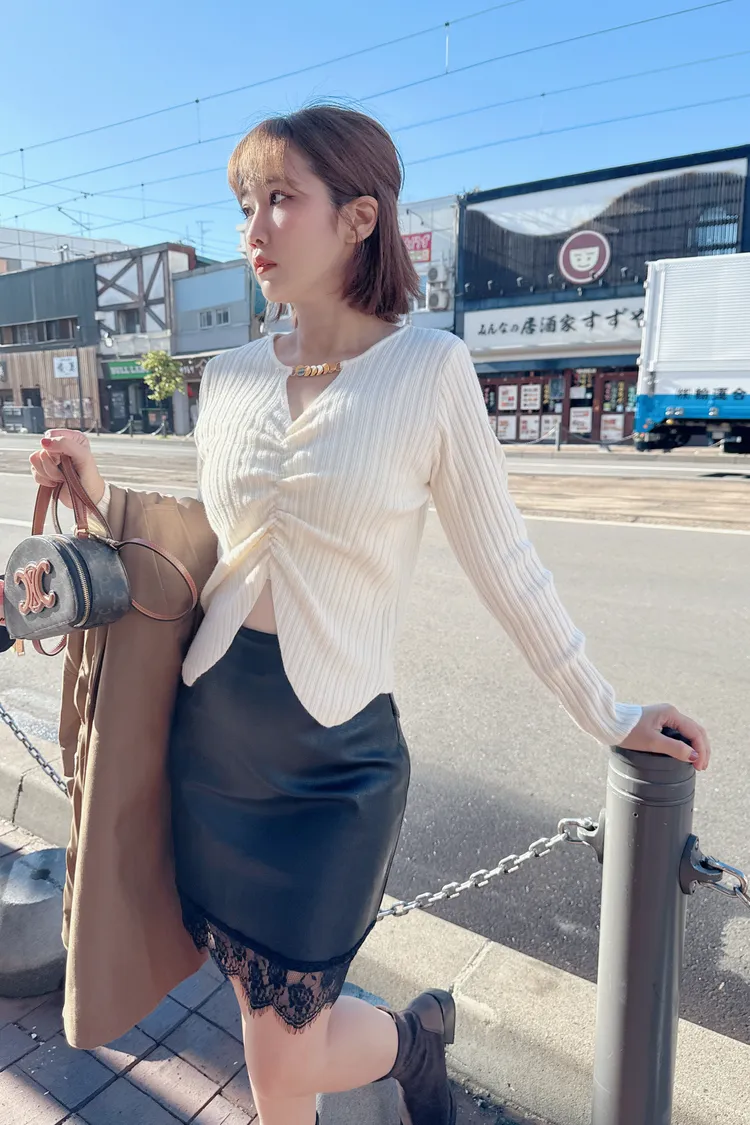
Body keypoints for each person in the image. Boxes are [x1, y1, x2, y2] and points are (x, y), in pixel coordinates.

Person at [23, 105, 711, 1125]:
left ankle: (410, 1041)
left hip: (334, 768)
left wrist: (609, 712)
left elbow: (508, 567)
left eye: (280, 199)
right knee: (266, 1037)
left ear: (358, 218)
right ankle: (411, 1039)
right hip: (214, 744)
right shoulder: (232, 377)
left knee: (285, 1056)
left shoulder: (429, 371)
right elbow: (218, 543)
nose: (253, 229)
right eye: (244, 204)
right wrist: (98, 492)